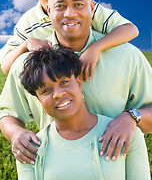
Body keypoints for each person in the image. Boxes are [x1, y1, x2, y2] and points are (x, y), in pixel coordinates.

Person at [0, 0, 152, 167]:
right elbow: (8, 113)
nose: (69, 13)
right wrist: (16, 133)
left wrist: (132, 117)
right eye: (60, 6)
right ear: (48, 9)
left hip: (116, 168)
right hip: (57, 169)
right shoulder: (27, 64)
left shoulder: (128, 56)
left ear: (92, 7)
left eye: (78, 4)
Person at [16, 47, 151, 179]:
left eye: (64, 82)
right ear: (39, 100)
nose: (58, 94)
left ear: (79, 83)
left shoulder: (125, 134)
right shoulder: (29, 149)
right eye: (45, 91)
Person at [0, 0, 139, 81]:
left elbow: (130, 29)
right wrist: (26, 44)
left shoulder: (84, 8)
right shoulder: (27, 22)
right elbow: (6, 66)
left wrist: (95, 47)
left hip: (98, 74)